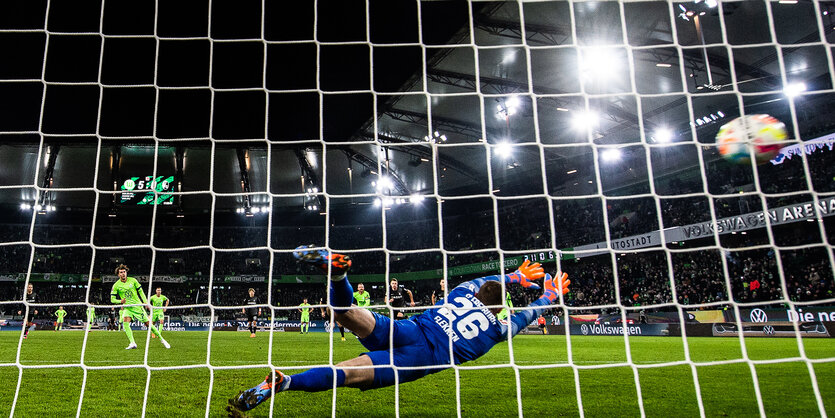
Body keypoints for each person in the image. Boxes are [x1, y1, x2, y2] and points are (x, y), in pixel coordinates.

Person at [227, 248, 570, 416]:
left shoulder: (464, 290)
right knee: (346, 373)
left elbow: (484, 282)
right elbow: (527, 316)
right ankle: (285, 383)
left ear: (479, 294)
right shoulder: (497, 329)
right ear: (498, 308)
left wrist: (512, 277)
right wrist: (549, 296)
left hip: (409, 328)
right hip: (417, 358)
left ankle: (338, 277)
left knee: (343, 312)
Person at [110, 264, 170, 349]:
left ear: (126, 272)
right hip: (128, 308)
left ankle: (162, 339)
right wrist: (120, 301)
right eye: (121, 272)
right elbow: (112, 299)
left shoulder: (133, 280)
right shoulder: (116, 285)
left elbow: (141, 292)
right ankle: (132, 343)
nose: (123, 274)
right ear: (118, 274)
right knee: (125, 322)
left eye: (124, 272)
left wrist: (145, 302)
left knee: (148, 324)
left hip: (137, 306)